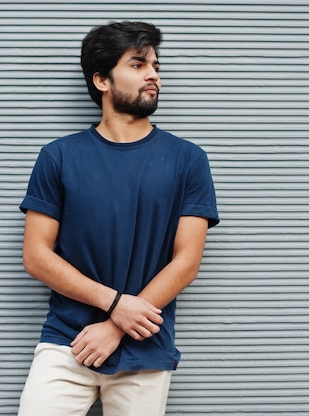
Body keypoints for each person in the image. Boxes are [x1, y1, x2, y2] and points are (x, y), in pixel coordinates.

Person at [17, 21, 219, 416]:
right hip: (66, 342)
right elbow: (36, 256)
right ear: (101, 79)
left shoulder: (188, 160)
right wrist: (113, 303)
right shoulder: (58, 157)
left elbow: (186, 262)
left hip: (144, 347)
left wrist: (115, 325)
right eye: (138, 64)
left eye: (156, 66)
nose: (153, 75)